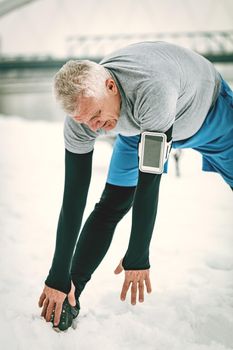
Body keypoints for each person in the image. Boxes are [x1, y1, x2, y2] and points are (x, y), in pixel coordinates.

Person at [38, 41, 233, 331]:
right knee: (111, 204)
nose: (96, 129)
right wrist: (58, 275)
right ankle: (71, 296)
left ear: (111, 87)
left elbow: (149, 180)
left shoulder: (151, 87)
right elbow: (73, 200)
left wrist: (138, 253)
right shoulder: (83, 119)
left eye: (95, 116)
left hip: (211, 117)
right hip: (138, 129)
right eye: (85, 122)